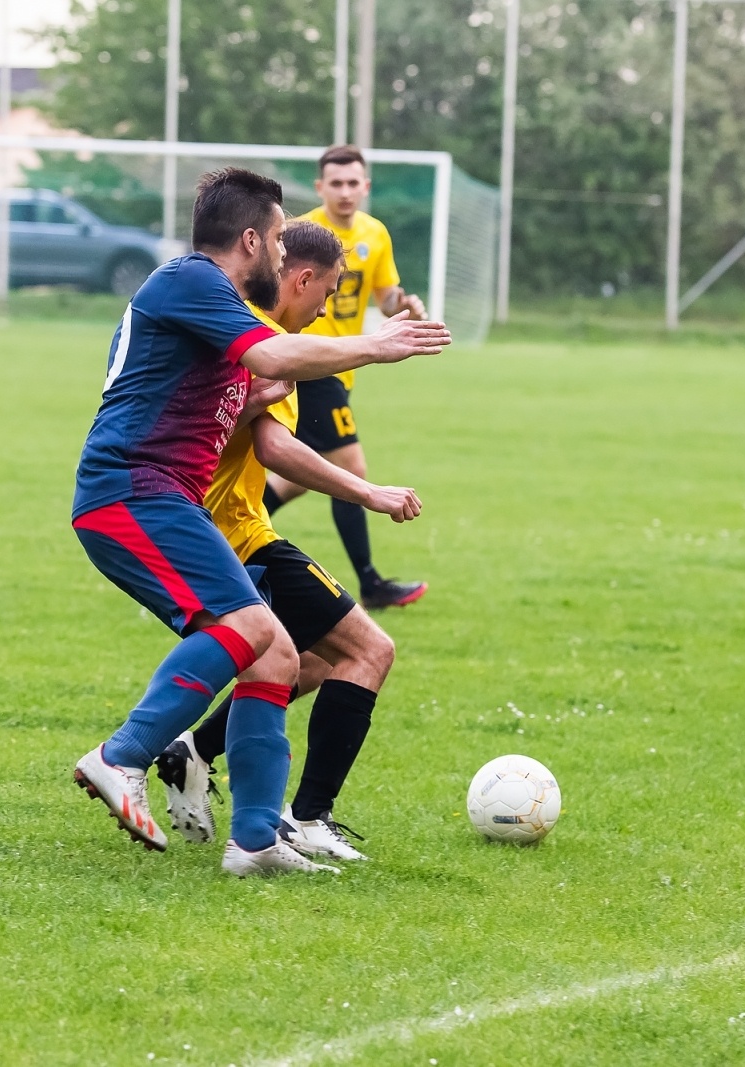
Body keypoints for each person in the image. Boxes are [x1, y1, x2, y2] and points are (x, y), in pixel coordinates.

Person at [68, 168, 450, 878]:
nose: (283, 251)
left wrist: (251, 398)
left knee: (273, 651)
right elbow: (269, 361)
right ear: (251, 239)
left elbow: (237, 397)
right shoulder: (194, 282)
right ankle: (121, 756)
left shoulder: (212, 303)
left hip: (165, 495)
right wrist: (376, 342)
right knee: (247, 629)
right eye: (278, 237)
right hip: (132, 490)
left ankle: (253, 842)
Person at [158, 221, 421, 862]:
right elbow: (277, 447)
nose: (328, 307)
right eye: (327, 292)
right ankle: (305, 819)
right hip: (233, 537)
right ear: (300, 280)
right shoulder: (265, 342)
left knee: (314, 661)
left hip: (219, 530)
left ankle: (194, 753)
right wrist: (370, 492)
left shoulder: (238, 327)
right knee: (369, 650)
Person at [263, 144, 430, 611]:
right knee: (351, 470)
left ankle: (219, 540)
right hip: (311, 360)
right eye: (335, 183)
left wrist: (406, 309)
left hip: (344, 367)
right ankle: (371, 583)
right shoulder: (300, 234)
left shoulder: (375, 235)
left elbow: (386, 299)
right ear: (320, 188)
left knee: (297, 478)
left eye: (352, 182)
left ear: (365, 186)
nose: (344, 191)